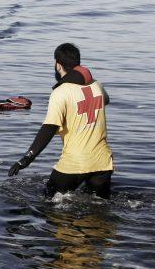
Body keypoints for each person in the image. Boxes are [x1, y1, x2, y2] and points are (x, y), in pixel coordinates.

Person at [8, 44, 114, 198]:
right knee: (100, 209)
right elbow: (106, 100)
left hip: (74, 163)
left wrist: (26, 159)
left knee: (48, 201)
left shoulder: (60, 92)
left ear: (58, 65)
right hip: (103, 162)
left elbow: (49, 127)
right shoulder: (97, 85)